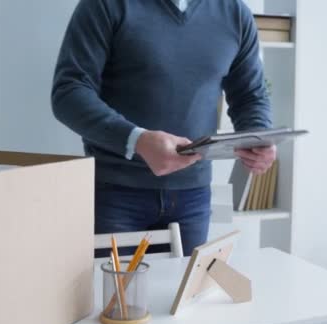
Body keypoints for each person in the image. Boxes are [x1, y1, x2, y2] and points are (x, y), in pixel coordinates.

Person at [52, 0, 276, 256]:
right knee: (111, 295)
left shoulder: (235, 13)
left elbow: (250, 96)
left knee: (180, 294)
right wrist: (137, 140)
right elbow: (68, 93)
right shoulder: (104, 5)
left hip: (194, 197)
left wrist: (258, 135)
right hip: (114, 193)